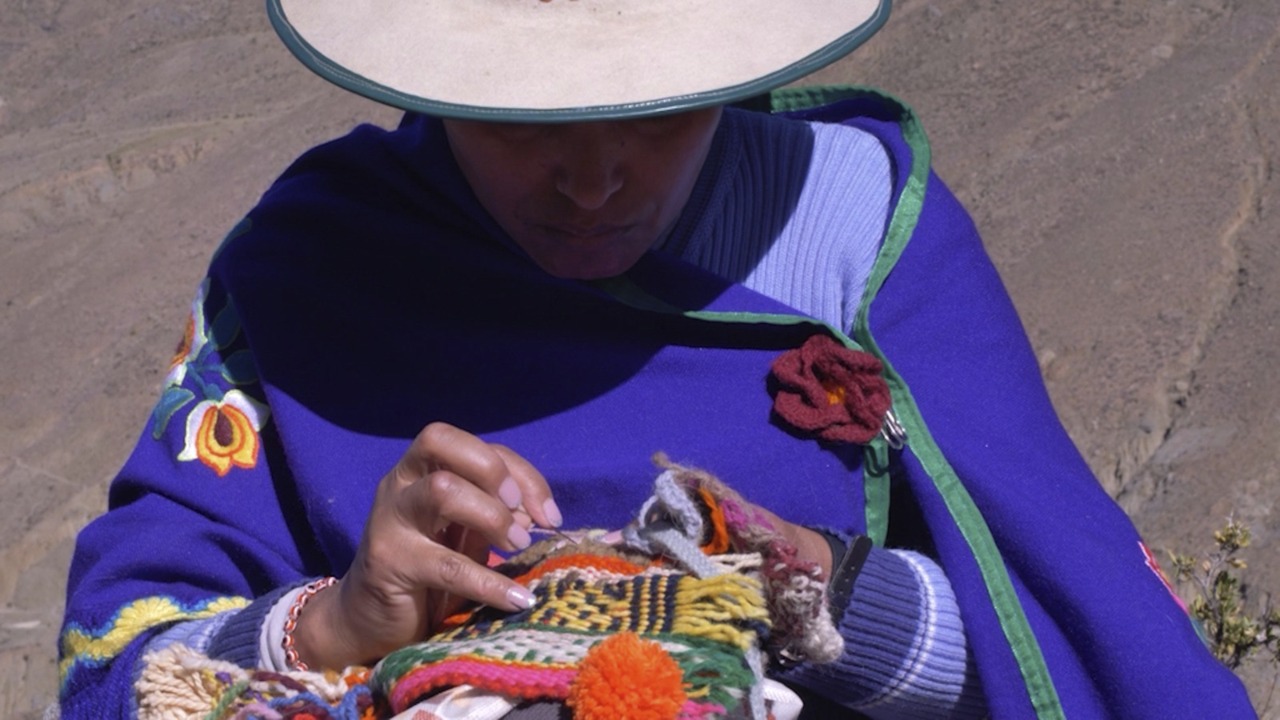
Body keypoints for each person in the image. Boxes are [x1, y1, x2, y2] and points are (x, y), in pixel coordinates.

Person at [56, 0, 1257, 718]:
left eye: (657, 112)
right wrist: (335, 627)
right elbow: (115, 672)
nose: (591, 183)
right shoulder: (310, 269)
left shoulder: (852, 236)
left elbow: (1075, 651)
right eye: (521, 121)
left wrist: (816, 596)